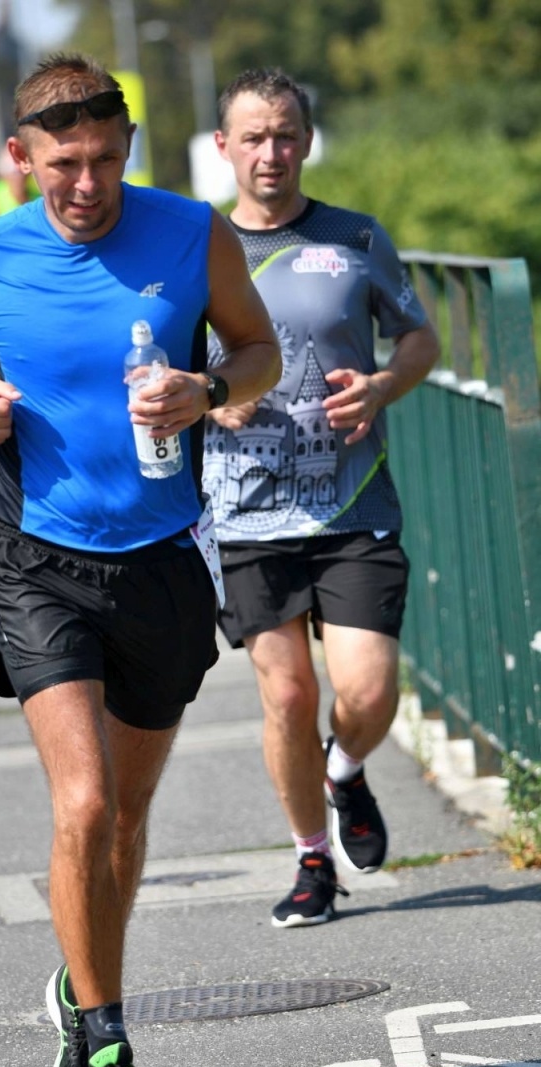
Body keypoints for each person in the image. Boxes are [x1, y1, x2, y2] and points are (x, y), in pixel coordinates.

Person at [0, 52, 280, 1067]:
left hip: (164, 563)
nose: (88, 185)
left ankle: (79, 990)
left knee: (122, 820)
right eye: (64, 165)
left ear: (128, 153)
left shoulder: (189, 232)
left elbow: (258, 351)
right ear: (21, 159)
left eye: (106, 162)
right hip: (38, 562)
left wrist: (207, 387)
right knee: (80, 808)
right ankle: (110, 1047)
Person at [203, 68, 440, 929]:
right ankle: (312, 859)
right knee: (288, 697)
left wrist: (380, 387)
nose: (273, 151)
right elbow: (152, 362)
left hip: (353, 503)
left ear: (307, 140)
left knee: (368, 691)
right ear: (223, 146)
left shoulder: (355, 236)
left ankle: (344, 773)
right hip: (245, 511)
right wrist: (207, 393)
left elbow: (419, 334)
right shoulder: (199, 249)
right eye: (254, 137)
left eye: (287, 134)